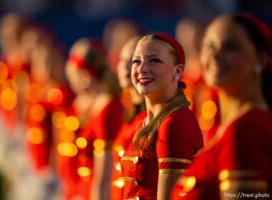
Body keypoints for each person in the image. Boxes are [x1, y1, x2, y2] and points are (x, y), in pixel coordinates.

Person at [171, 13, 272, 200]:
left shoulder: (245, 130)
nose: (215, 55)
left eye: (230, 47)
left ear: (261, 59)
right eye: (209, 45)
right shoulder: (231, 128)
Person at [120, 33, 204, 200]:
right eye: (136, 61)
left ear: (178, 70)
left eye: (154, 61)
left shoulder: (174, 122)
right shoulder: (141, 120)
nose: (142, 69)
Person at [63, 38, 124, 200]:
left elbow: (104, 176)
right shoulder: (85, 107)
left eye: (72, 78)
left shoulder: (107, 109)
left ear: (84, 76)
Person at [111, 36, 145, 200]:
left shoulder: (155, 118)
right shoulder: (127, 114)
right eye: (122, 59)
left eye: (133, 60)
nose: (125, 66)